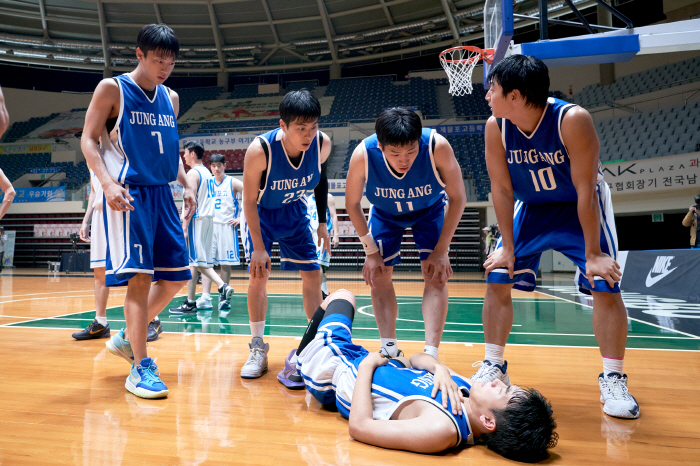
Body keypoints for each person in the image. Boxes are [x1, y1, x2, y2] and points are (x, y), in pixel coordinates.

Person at [477, 55, 639, 419]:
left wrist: (594, 252)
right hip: (532, 207)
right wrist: (506, 247)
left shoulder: (573, 119)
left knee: (604, 281)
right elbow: (502, 191)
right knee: (498, 275)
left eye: (494, 88)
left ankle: (613, 378)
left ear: (515, 96)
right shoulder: (495, 127)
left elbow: (585, 190)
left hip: (576, 206)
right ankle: (493, 366)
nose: (488, 95)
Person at [283, 289, 557, 462]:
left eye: (503, 392)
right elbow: (417, 359)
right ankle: (301, 357)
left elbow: (360, 427)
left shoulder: (442, 430)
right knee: (341, 298)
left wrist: (369, 364)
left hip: (334, 369)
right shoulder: (465, 391)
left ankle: (301, 361)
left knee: (340, 296)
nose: (498, 381)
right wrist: (438, 368)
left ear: (488, 421)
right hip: (361, 360)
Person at [81, 23, 196, 399]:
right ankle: (140, 366)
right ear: (139, 55)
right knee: (140, 280)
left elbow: (168, 146)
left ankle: (129, 336)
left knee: (179, 276)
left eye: (171, 62)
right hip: (129, 194)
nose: (164, 68)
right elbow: (87, 139)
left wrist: (185, 181)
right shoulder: (112, 89)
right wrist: (108, 183)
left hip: (162, 193)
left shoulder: (171, 98)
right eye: (158, 60)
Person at [344, 108, 467, 360]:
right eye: (395, 153)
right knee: (378, 276)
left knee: (436, 274)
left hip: (429, 210)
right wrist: (370, 250)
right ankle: (389, 349)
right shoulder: (363, 155)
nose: (405, 159)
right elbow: (351, 204)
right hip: (385, 213)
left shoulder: (436, 146)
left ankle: (431, 353)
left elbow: (458, 198)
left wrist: (442, 250)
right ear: (380, 146)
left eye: (411, 151)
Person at [240, 89, 331, 380]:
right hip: (261, 215)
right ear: (283, 126)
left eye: (313, 126)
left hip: (294, 211)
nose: (308, 134)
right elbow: (248, 202)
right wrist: (258, 247)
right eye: (301, 128)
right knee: (259, 275)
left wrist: (321, 222)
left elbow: (320, 179)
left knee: (313, 275)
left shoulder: (321, 143)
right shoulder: (260, 151)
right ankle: (257, 347)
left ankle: (315, 346)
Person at [72, 169, 162, 341]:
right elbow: (94, 191)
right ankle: (101, 322)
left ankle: (152, 319)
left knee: (135, 270)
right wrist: (85, 221)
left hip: (122, 210)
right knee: (100, 270)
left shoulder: (118, 145)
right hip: (100, 213)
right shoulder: (92, 155)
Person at [168, 141, 234, 315]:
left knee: (197, 261)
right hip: (209, 220)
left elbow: (190, 204)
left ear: (192, 154)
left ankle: (222, 286)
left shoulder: (192, 174)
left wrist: (184, 226)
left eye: (185, 152)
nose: (183, 155)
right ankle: (190, 302)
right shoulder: (206, 172)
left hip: (197, 220)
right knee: (196, 262)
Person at [200, 153, 244, 313]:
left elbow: (250, 193)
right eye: (213, 166)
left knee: (225, 264)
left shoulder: (233, 182)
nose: (216, 168)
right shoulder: (206, 182)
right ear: (210, 167)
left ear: (225, 165)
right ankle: (205, 297)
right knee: (206, 263)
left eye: (219, 165)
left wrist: (242, 216)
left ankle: (223, 298)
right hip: (209, 226)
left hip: (227, 227)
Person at [307, 192, 339, 298]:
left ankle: (317, 292)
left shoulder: (328, 197)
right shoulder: (308, 199)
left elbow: (334, 216)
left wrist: (336, 235)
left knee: (318, 265)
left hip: (322, 234)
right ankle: (324, 292)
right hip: (311, 235)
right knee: (321, 267)